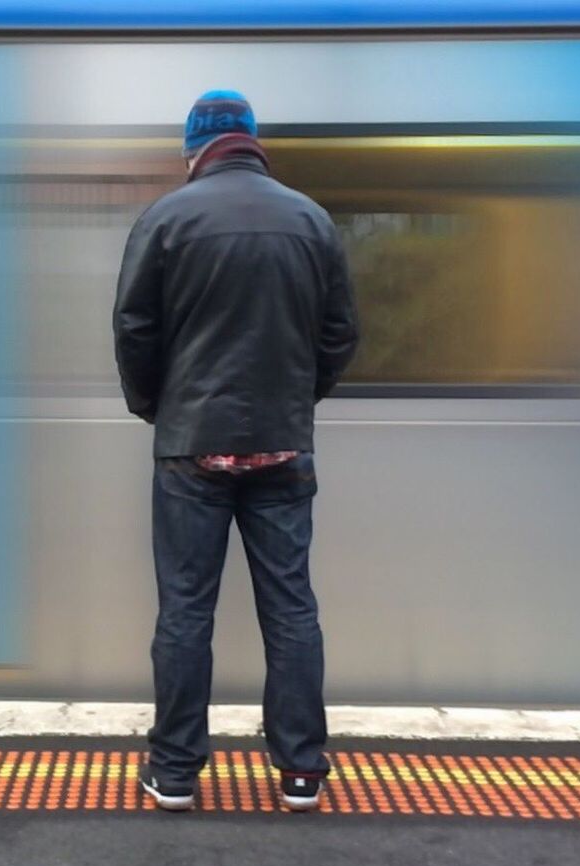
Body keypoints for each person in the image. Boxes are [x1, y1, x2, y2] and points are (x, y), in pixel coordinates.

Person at [113, 89, 359, 813]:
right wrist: (294, 400)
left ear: (194, 149)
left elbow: (134, 331)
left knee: (186, 608)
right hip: (282, 447)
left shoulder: (165, 218)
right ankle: (302, 770)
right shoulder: (311, 219)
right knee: (291, 607)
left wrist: (160, 410)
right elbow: (341, 334)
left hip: (192, 448)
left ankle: (177, 771)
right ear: (254, 143)